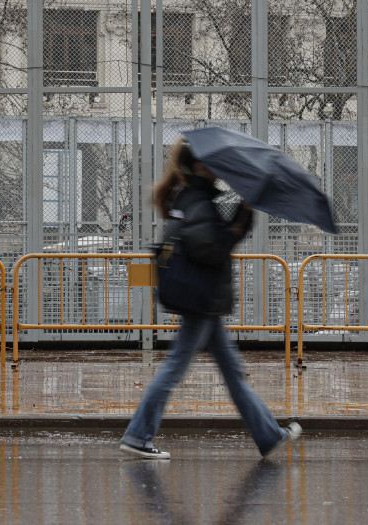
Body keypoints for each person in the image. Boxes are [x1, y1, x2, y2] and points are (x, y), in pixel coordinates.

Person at [119, 137, 301, 460]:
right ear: (201, 165)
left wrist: (241, 216)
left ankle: (269, 434)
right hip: (202, 302)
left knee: (233, 374)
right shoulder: (198, 200)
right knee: (174, 369)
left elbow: (211, 241)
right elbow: (210, 248)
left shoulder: (192, 197)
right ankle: (137, 434)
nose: (220, 170)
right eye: (214, 163)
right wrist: (237, 223)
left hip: (205, 302)